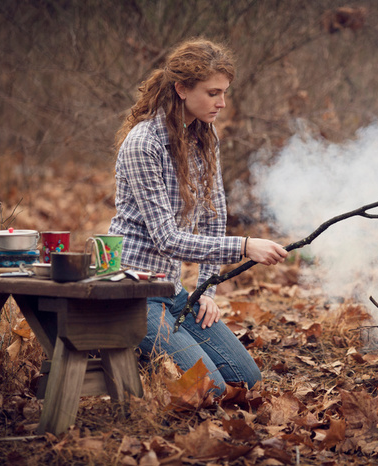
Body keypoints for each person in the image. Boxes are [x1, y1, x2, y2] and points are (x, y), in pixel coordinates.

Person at [108, 38, 287, 395]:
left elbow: (213, 215)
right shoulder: (144, 143)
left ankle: (163, 349)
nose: (222, 103)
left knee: (246, 380)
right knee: (213, 390)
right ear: (182, 88)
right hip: (131, 294)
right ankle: (139, 358)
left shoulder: (204, 135)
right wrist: (245, 246)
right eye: (213, 93)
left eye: (224, 93)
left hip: (172, 291)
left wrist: (207, 289)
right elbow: (167, 239)